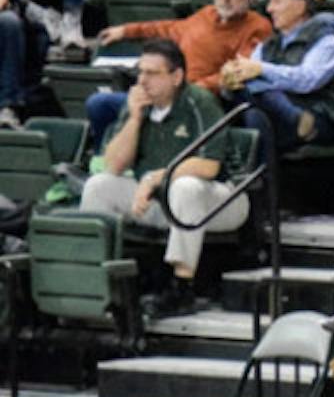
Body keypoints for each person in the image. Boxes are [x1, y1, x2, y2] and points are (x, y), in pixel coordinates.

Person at [80, 40, 246, 316]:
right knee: (99, 186)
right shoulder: (138, 104)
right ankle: (99, 282)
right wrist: (134, 119)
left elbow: (209, 166)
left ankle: (182, 287)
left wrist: (157, 178)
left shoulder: (198, 101)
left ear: (177, 76)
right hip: (161, 202)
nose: (143, 81)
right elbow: (112, 165)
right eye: (140, 72)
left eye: (153, 73)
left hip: (220, 202)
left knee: (186, 187)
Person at [86, 0, 271, 142]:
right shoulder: (206, 14)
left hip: (203, 102)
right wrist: (126, 31)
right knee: (99, 104)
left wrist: (195, 89)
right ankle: (103, 160)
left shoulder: (257, 27)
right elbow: (169, 28)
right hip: (169, 93)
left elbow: (238, 71)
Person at [218, 0, 334, 151]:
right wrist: (231, 80)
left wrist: (261, 69)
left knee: (255, 113)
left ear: (300, 6)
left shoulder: (325, 40)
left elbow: (307, 80)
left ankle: (262, 175)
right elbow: (250, 80)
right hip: (282, 119)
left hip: (317, 117)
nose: (269, 9)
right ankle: (294, 119)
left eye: (276, 2)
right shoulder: (268, 44)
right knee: (252, 114)